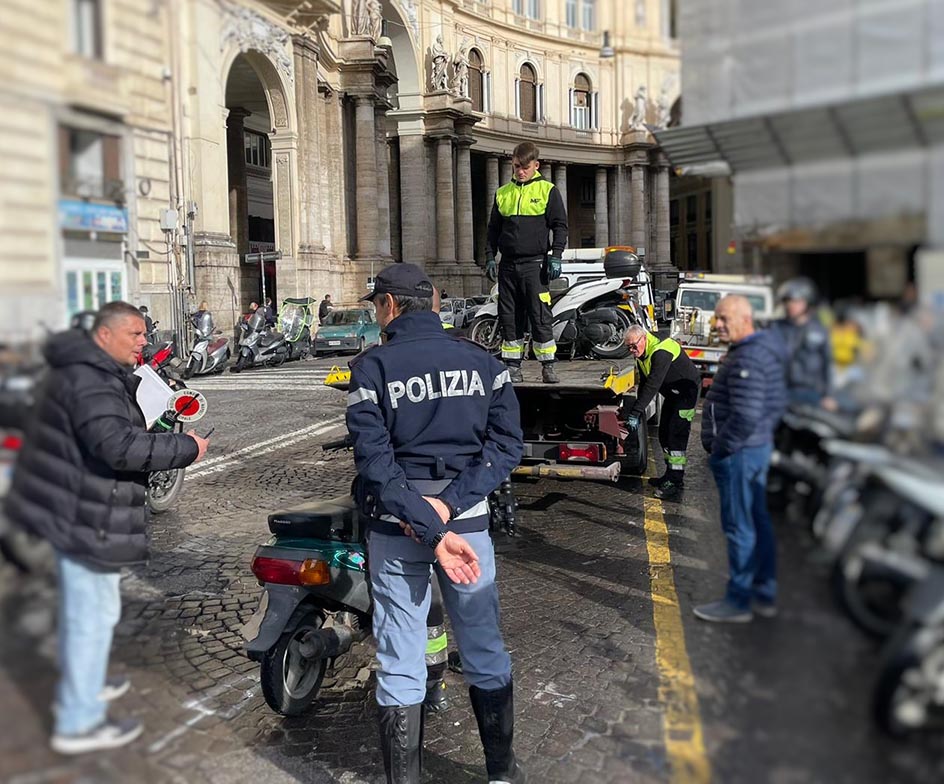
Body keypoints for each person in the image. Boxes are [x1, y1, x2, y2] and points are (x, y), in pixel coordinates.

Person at [346, 263, 525, 784]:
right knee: (483, 645)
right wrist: (448, 508)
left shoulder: (371, 368)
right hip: (465, 525)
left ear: (389, 306)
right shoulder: (484, 362)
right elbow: (506, 446)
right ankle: (501, 773)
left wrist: (425, 518)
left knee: (400, 657)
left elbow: (375, 462)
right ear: (436, 306)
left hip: (396, 525)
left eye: (376, 306)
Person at [4, 301, 209, 753]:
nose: (143, 342)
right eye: (135, 334)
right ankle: (78, 722)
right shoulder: (91, 381)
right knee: (89, 618)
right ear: (104, 335)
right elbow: (117, 446)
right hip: (85, 515)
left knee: (94, 611)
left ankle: (86, 682)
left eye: (144, 334)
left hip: (84, 510)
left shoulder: (94, 374)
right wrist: (185, 448)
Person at [696, 295, 787, 623]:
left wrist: (722, 447)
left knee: (739, 527)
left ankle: (738, 601)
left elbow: (746, 415)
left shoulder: (749, 357)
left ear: (745, 319)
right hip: (753, 448)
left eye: (724, 318)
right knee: (756, 520)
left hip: (740, 453)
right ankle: (763, 591)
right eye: (716, 318)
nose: (716, 324)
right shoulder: (755, 351)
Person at [485, 141, 568, 385]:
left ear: (536, 165)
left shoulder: (548, 190)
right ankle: (513, 366)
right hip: (508, 266)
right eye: (516, 167)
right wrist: (489, 256)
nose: (520, 172)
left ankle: (548, 366)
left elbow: (560, 226)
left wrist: (556, 255)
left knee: (539, 314)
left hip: (535, 264)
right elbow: (492, 230)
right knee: (509, 315)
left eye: (525, 167)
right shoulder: (502, 193)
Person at [624, 324, 701, 501]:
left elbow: (653, 384)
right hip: (673, 394)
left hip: (686, 394)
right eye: (628, 347)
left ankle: (675, 481)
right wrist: (638, 410)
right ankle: (669, 474)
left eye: (634, 346)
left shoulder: (660, 352)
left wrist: (636, 412)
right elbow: (644, 383)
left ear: (644, 339)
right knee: (664, 433)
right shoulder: (642, 353)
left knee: (676, 436)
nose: (632, 351)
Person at [771, 277, 831, 406]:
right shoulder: (775, 328)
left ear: (807, 302)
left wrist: (828, 395)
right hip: (781, 391)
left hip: (812, 393)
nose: (791, 305)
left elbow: (828, 364)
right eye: (787, 301)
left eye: (797, 301)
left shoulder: (819, 330)